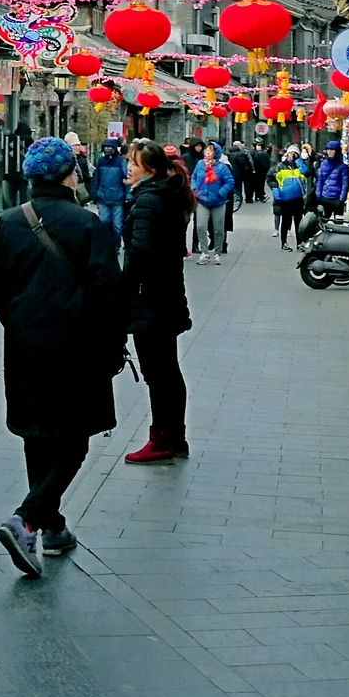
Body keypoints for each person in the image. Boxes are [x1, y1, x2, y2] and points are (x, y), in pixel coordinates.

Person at [0, 136, 126, 577]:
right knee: (74, 440)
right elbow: (109, 293)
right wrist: (113, 345)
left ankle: (53, 526)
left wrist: (21, 325)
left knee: (37, 434)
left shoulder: (8, 222)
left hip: (25, 345)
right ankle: (27, 518)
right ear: (70, 174)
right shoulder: (87, 225)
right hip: (78, 347)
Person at [121, 139, 193, 465]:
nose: (128, 169)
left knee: (159, 373)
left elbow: (141, 254)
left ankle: (163, 438)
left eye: (133, 164)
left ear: (148, 169)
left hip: (152, 299)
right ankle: (173, 435)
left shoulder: (149, 201)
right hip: (167, 296)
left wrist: (124, 292)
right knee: (168, 371)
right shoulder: (165, 194)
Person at [189, 141, 234, 262]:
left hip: (218, 202)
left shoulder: (222, 167)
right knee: (200, 226)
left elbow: (230, 182)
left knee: (219, 229)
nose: (208, 152)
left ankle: (218, 252)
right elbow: (193, 177)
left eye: (211, 150)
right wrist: (194, 188)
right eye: (207, 150)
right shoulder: (200, 164)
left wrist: (221, 193)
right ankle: (204, 252)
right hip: (202, 200)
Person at [89, 140, 129, 244]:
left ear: (115, 148)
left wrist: (128, 195)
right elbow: (96, 179)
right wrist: (95, 195)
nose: (107, 149)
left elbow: (126, 179)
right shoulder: (101, 161)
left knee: (117, 225)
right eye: (105, 147)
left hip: (118, 198)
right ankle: (107, 244)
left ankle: (115, 245)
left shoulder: (121, 161)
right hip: (103, 198)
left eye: (109, 147)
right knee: (104, 222)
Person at [271, 150, 310, 246]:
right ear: (287, 154)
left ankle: (299, 243)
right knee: (285, 221)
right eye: (290, 153)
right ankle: (284, 243)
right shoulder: (280, 166)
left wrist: (300, 163)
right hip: (286, 198)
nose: (292, 156)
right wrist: (277, 193)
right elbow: (272, 179)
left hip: (298, 198)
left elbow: (306, 174)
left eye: (295, 153)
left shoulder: (299, 165)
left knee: (299, 222)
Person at [313, 136, 349, 223]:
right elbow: (320, 181)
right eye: (328, 150)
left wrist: (341, 199)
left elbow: (345, 185)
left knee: (338, 222)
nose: (329, 152)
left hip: (336, 199)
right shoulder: (323, 164)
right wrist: (318, 195)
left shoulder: (343, 167)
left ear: (337, 151)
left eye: (332, 150)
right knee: (324, 222)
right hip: (325, 197)